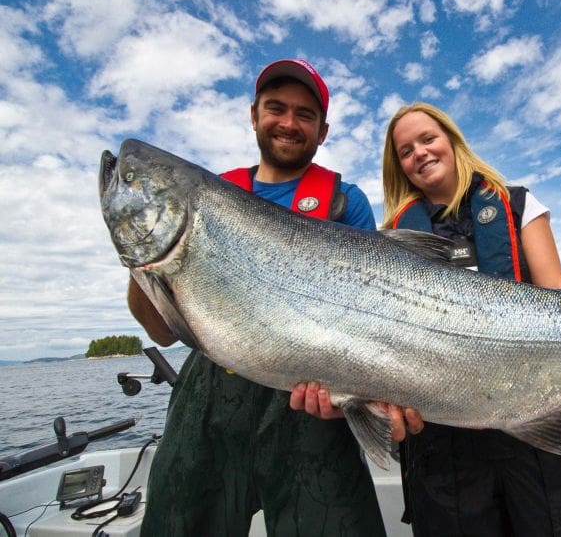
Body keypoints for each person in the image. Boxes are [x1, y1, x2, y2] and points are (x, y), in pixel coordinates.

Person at [128, 59, 390, 536]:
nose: (289, 123)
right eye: (276, 108)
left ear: (322, 130)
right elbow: (161, 333)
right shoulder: (208, 196)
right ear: (254, 115)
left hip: (310, 410)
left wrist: (353, 393)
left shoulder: (344, 201)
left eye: (304, 114)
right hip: (209, 400)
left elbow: (370, 325)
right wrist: (143, 257)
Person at [379, 102, 561, 536]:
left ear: (452, 141)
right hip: (441, 445)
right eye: (405, 150)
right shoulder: (390, 239)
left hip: (540, 423)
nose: (420, 153)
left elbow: (560, 299)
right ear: (398, 166)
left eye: (428, 139)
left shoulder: (518, 204)